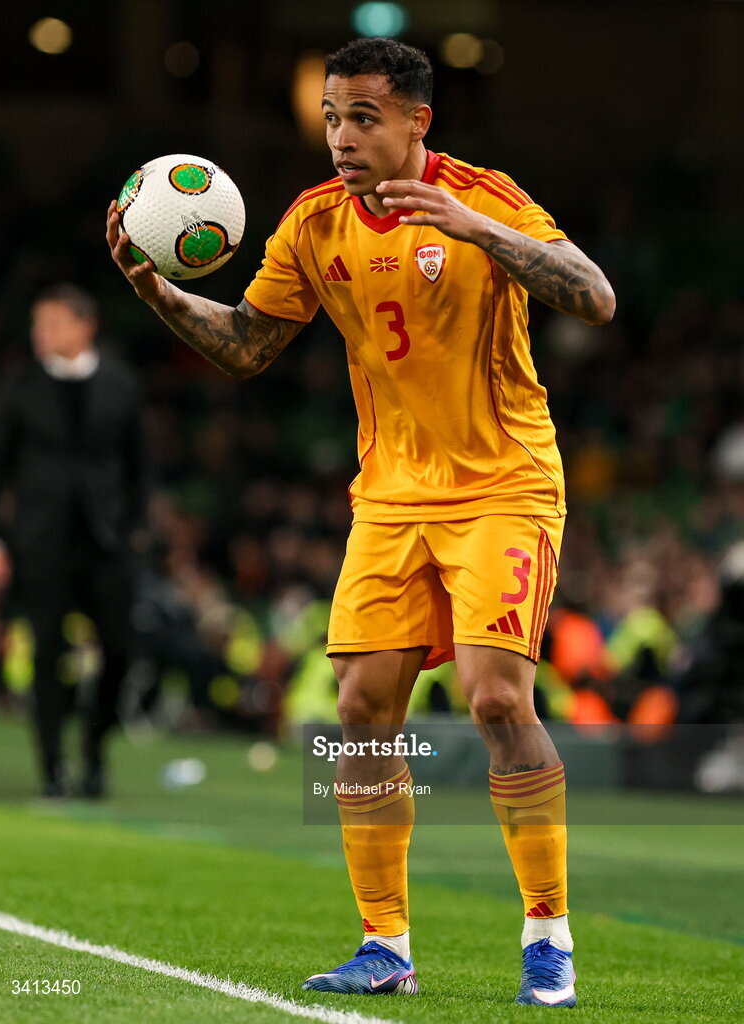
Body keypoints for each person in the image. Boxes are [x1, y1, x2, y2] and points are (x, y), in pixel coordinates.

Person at [106, 37, 614, 1007]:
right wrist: (155, 290)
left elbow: (593, 296)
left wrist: (473, 227)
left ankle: (547, 934)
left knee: (496, 700)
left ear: (419, 121)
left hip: (503, 483)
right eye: (333, 117)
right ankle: (385, 945)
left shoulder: (484, 197)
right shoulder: (313, 223)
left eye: (364, 118)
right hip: (389, 495)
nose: (342, 137)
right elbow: (248, 345)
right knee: (359, 710)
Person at [0, 283, 149, 798]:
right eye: (36, 324)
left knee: (118, 650)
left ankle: (94, 749)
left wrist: (137, 528)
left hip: (106, 540)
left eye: (51, 323)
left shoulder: (121, 384)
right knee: (47, 652)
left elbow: (139, 466)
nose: (40, 334)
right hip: (41, 539)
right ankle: (53, 768)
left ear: (85, 326)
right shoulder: (19, 385)